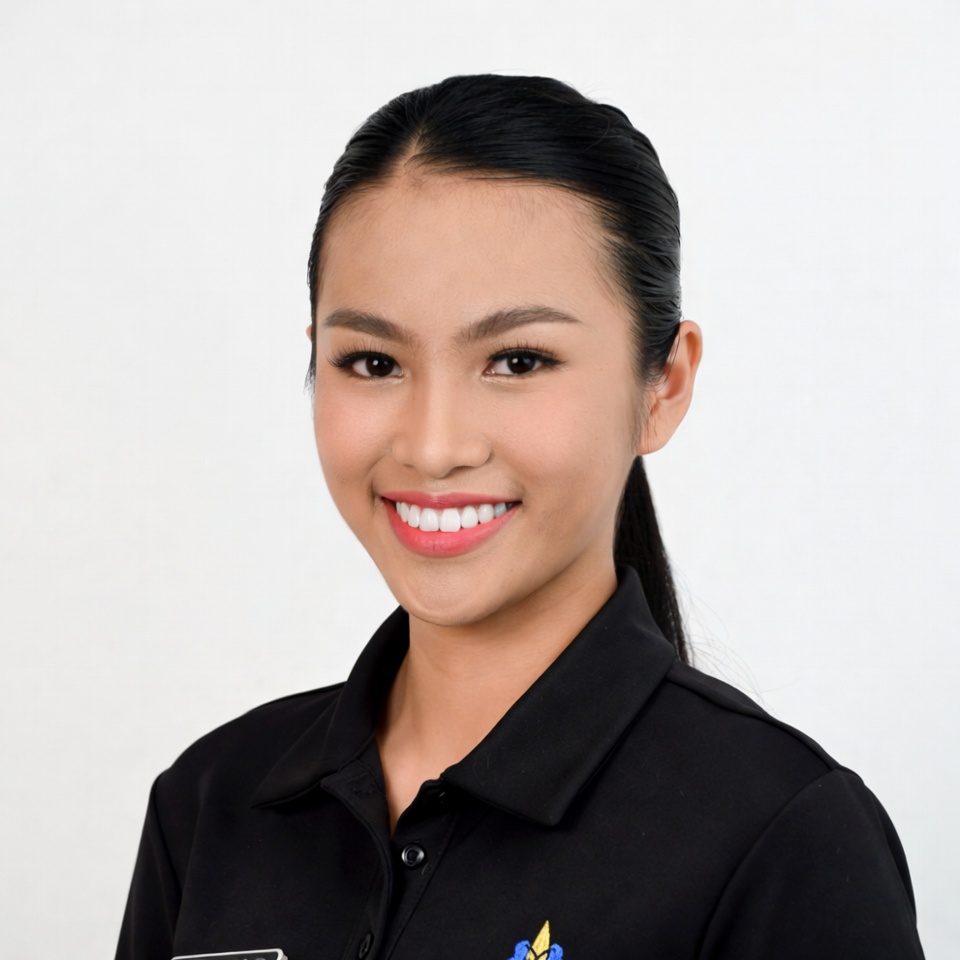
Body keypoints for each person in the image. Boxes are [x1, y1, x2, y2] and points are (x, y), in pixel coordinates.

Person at [115, 74, 925, 960]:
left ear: (664, 385)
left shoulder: (783, 839)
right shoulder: (210, 803)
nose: (432, 446)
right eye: (374, 362)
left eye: (519, 359)